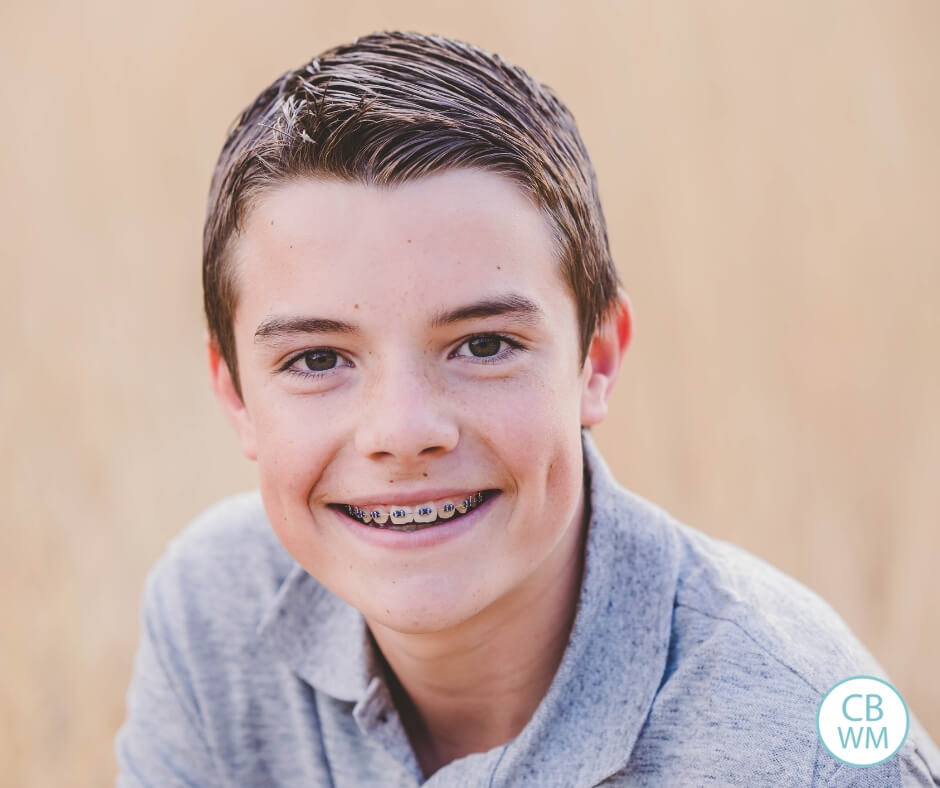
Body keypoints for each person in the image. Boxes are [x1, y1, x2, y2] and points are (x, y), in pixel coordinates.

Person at [115, 31, 939, 786]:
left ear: (597, 358)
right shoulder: (211, 613)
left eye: (483, 346)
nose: (404, 432)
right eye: (318, 359)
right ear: (235, 393)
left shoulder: (805, 746)